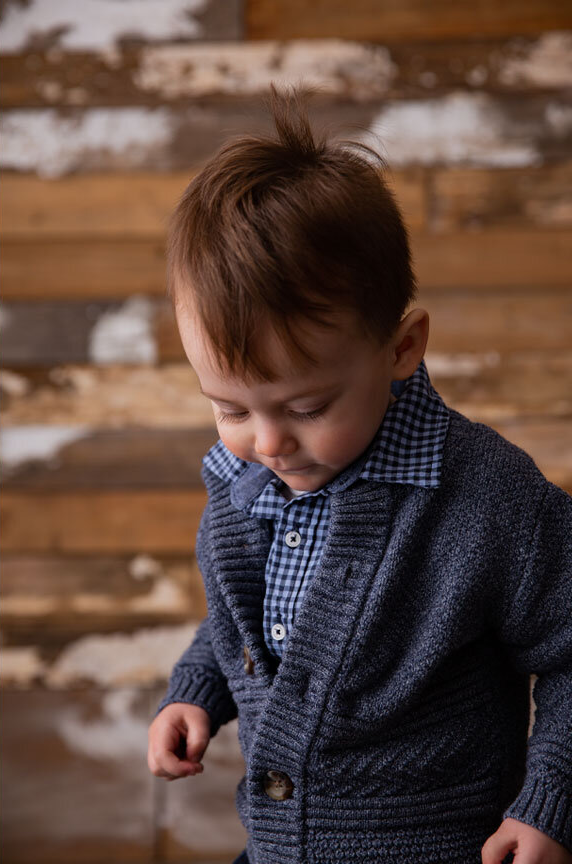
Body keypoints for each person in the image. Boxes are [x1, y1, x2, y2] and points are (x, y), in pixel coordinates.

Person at [145, 86, 572, 864]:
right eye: (230, 408)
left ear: (401, 347)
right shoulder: (243, 494)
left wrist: (550, 804)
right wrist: (194, 689)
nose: (269, 441)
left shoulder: (486, 498)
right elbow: (252, 623)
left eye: (307, 405)